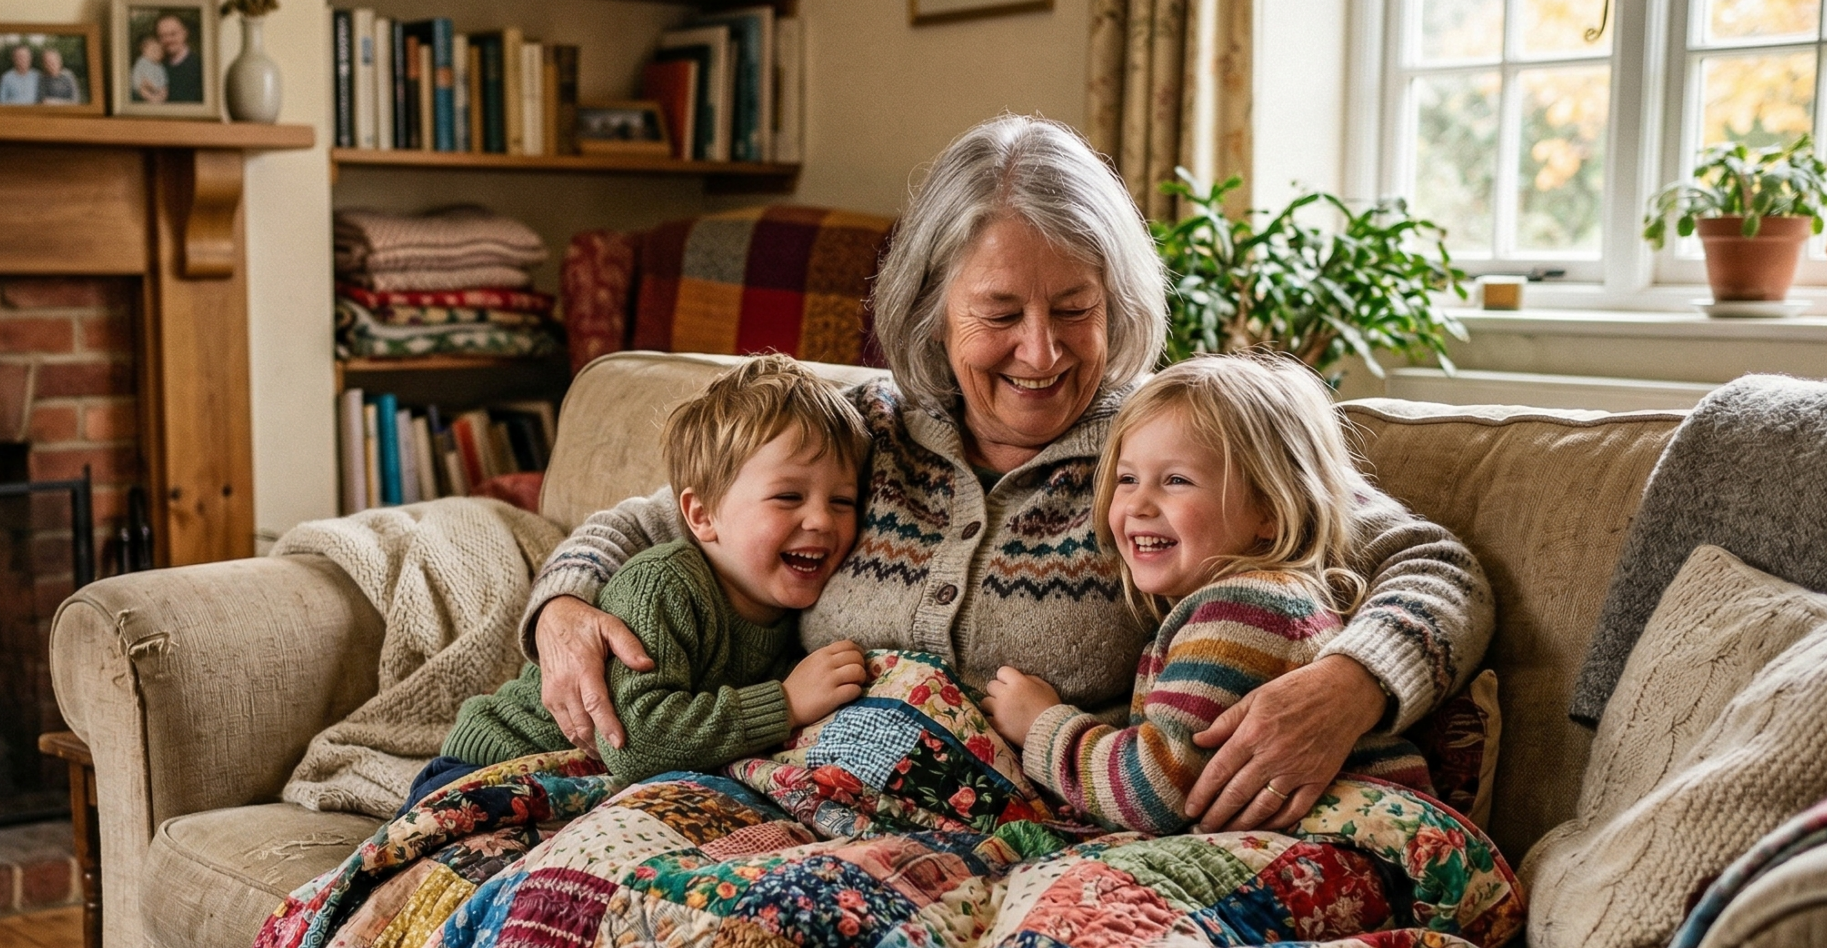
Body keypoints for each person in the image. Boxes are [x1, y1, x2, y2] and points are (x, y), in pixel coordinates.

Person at [525, 114, 1494, 834]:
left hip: (1017, 846)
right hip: (801, 817)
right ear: (932, 307)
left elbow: (1431, 562)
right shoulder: (857, 433)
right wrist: (563, 608)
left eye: (1074, 308)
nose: (1041, 352)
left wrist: (1354, 683)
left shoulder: (1180, 448)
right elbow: (654, 520)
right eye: (999, 314)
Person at [983, 354, 1436, 832]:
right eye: (1127, 479)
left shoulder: (1246, 611)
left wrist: (1043, 727)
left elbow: (1157, 795)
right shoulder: (1244, 600)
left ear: (1271, 511)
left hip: (1351, 846)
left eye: (1176, 480)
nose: (1137, 504)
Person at [411, 354, 874, 807]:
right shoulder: (663, 584)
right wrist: (785, 704)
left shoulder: (791, 616)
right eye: (788, 496)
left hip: (590, 788)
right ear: (701, 514)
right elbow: (634, 743)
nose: (821, 520)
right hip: (492, 768)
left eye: (842, 501)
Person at [155, 14, 201, 104]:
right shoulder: (157, 68)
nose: (168, 40)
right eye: (162, 36)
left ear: (185, 33)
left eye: (173, 34)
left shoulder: (200, 66)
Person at [129, 32, 168, 105]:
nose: (157, 53)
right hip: (142, 85)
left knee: (164, 89)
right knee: (142, 90)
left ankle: (160, 99)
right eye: (153, 50)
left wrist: (162, 89)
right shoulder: (142, 62)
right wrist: (151, 85)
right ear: (144, 51)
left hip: (158, 87)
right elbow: (139, 77)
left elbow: (163, 78)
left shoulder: (160, 66)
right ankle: (153, 99)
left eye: (160, 51)